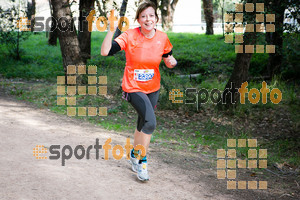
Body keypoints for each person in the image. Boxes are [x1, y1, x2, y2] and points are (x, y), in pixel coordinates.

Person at [101, 0, 177, 181]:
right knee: (150, 124)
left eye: (151, 16)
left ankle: (134, 155)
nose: (147, 19)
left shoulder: (162, 38)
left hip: (153, 88)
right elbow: (105, 52)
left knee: (142, 122)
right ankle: (142, 161)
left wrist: (171, 62)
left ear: (156, 19)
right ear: (138, 20)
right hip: (133, 88)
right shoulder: (130, 36)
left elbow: (167, 56)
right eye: (143, 16)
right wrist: (111, 29)